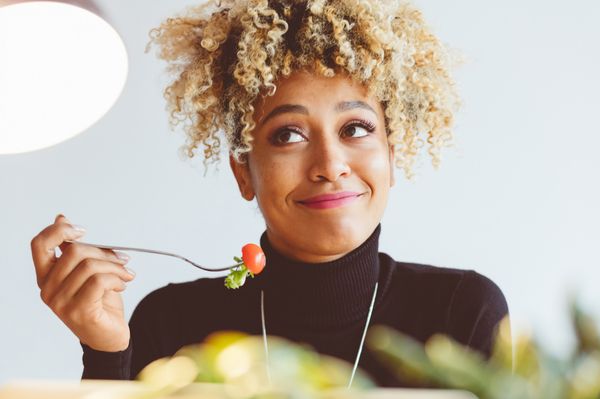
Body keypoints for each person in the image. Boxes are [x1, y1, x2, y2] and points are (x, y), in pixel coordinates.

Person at [30, 0, 510, 388]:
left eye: (356, 128)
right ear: (243, 172)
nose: (329, 166)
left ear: (392, 153)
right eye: (288, 135)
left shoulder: (461, 313)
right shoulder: (172, 323)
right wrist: (108, 354)